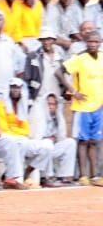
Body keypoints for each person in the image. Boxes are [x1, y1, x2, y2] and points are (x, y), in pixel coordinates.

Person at [59, 30, 103, 186]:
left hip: (98, 106)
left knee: (94, 141)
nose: (93, 44)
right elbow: (59, 72)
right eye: (90, 41)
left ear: (100, 43)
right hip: (83, 107)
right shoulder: (79, 58)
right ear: (86, 42)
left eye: (96, 41)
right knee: (83, 141)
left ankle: (95, 175)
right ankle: (83, 175)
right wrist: (73, 91)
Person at [0, 78, 47, 189]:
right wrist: (17, 131)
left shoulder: (22, 106)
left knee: (47, 147)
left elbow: (26, 131)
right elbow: (4, 129)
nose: (15, 90)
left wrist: (15, 130)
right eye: (13, 87)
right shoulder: (0, 105)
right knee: (16, 142)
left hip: (20, 140)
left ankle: (24, 173)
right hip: (4, 141)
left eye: (18, 87)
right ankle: (13, 179)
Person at [31, 94, 76, 187]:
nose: (51, 106)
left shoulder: (58, 117)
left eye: (54, 104)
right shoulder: (38, 115)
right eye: (49, 104)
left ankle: (64, 177)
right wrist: (47, 139)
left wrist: (55, 139)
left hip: (52, 146)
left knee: (70, 143)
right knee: (48, 144)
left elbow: (61, 136)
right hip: (39, 149)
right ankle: (47, 178)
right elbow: (34, 136)